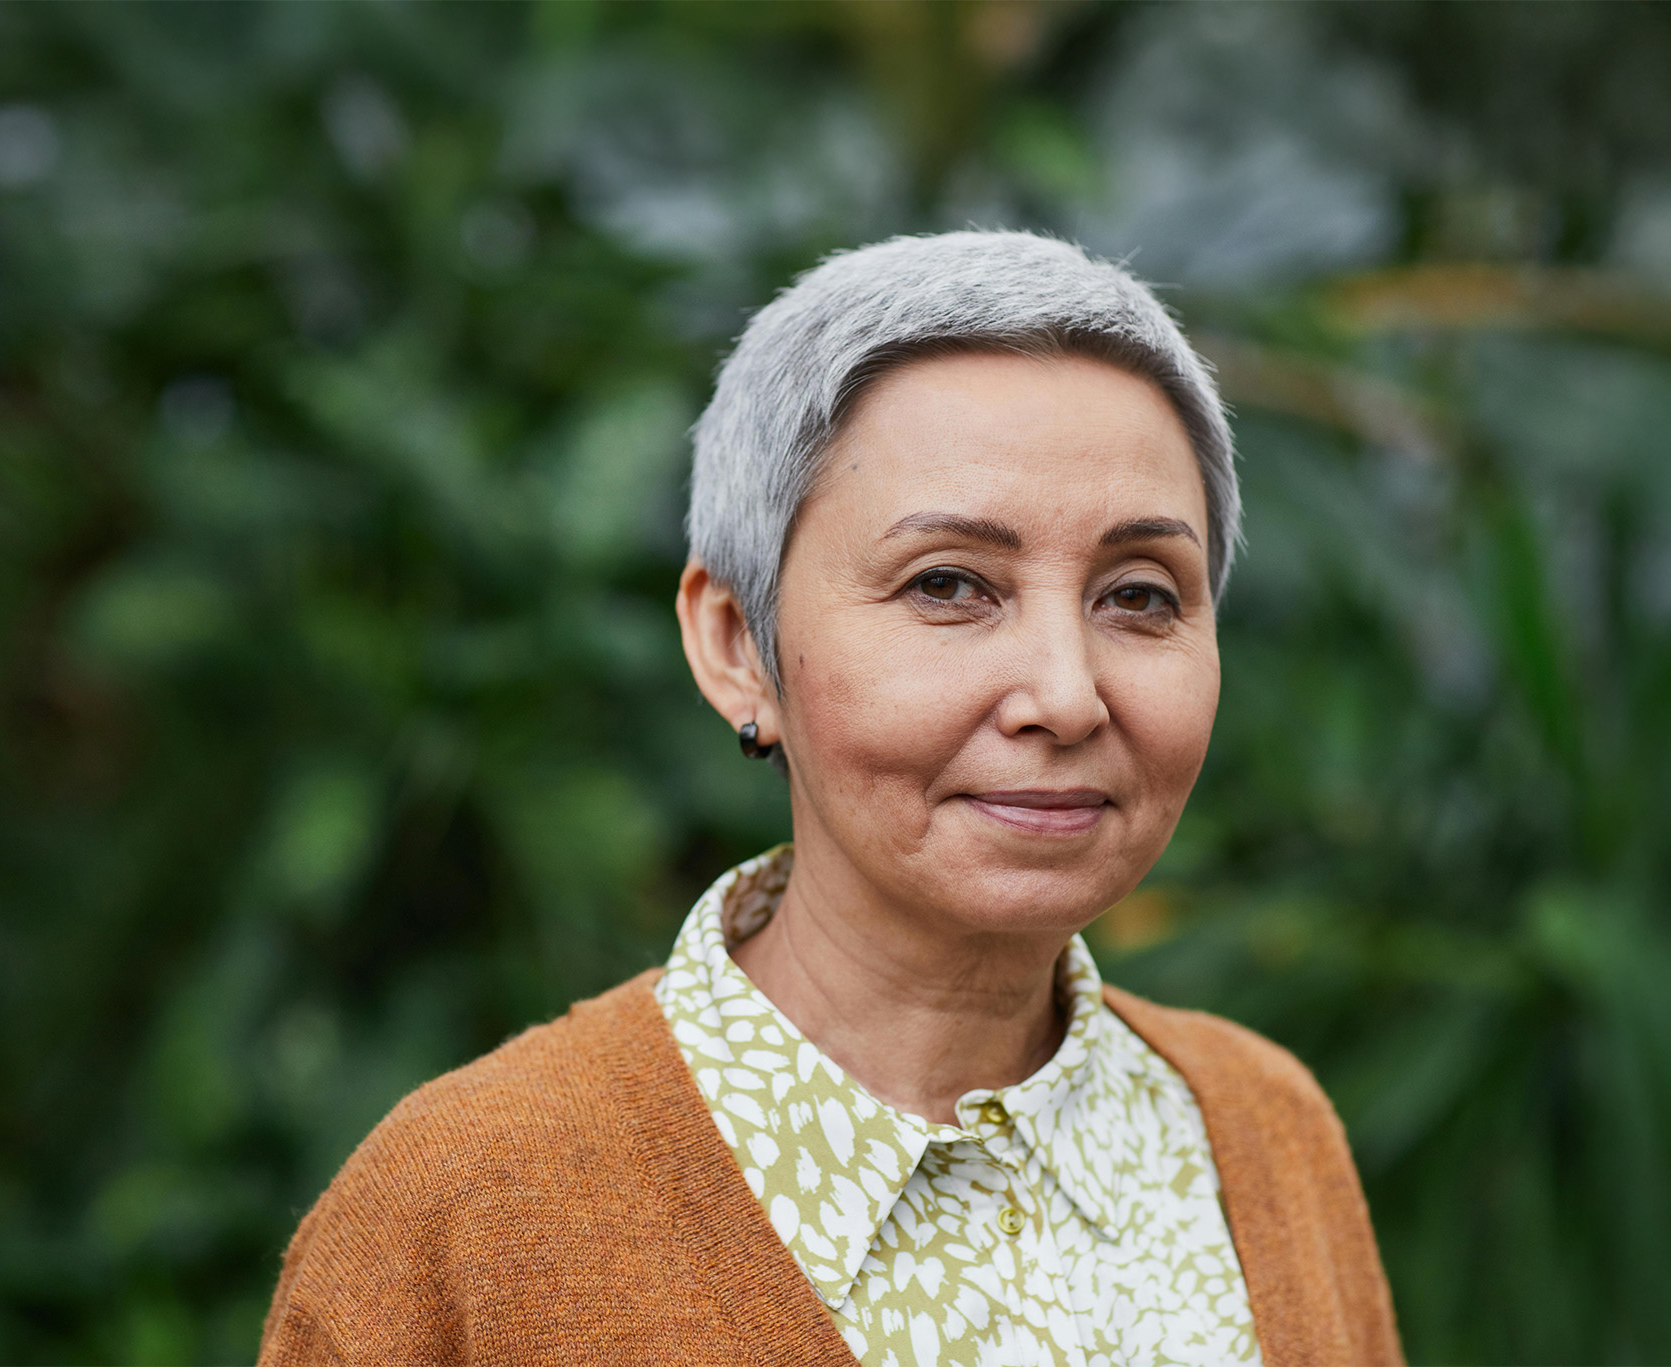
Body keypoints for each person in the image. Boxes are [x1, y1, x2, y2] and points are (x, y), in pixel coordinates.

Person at [258, 231, 1403, 1367]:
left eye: (1140, 596)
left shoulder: (1260, 1134)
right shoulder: (460, 1223)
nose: (1065, 695)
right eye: (948, 584)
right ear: (735, 644)